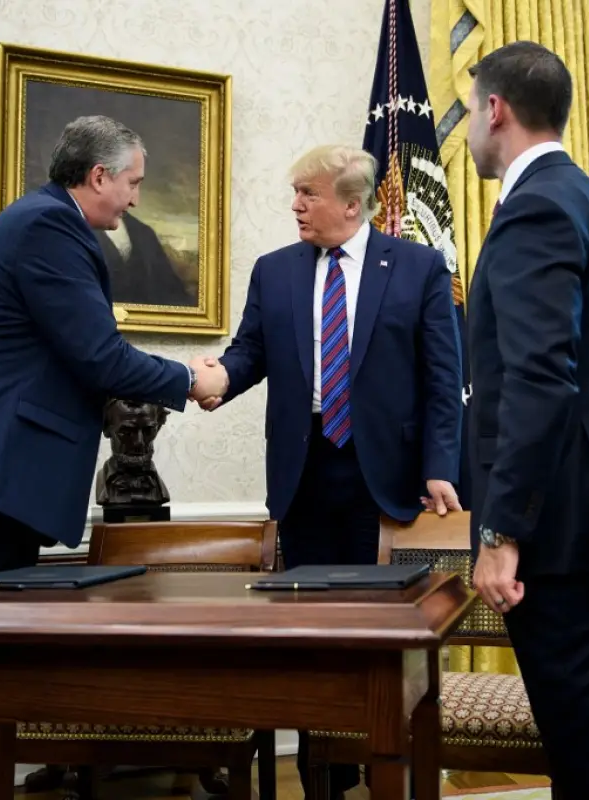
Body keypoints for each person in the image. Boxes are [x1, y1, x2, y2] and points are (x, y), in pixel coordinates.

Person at [0, 114, 227, 800]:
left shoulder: (47, 224)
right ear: (98, 177)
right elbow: (98, 356)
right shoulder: (48, 228)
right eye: (132, 183)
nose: (135, 200)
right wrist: (192, 379)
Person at [196, 143, 463, 798]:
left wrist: (439, 465)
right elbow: (250, 350)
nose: (295, 205)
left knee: (378, 639)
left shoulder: (420, 268)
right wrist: (215, 381)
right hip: (304, 469)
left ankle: (385, 772)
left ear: (351, 203)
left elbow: (442, 376)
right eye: (295, 193)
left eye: (307, 194)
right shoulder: (275, 270)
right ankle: (324, 781)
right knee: (311, 634)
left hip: (388, 481)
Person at [462, 42, 589, 799]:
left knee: (582, 743)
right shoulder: (588, 197)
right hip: (588, 511)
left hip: (555, 523)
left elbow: (538, 381)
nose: (470, 135)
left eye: (472, 116)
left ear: (496, 110)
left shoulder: (537, 207)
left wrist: (501, 533)